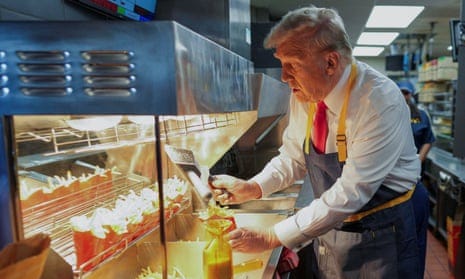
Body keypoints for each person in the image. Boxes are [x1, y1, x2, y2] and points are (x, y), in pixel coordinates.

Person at [210, 6, 422, 279]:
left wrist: (272, 236)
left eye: (293, 65)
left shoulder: (379, 102)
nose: (285, 77)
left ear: (330, 63)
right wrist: (254, 187)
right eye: (281, 63)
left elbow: (352, 192)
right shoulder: (306, 94)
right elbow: (293, 157)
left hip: (382, 229)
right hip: (334, 224)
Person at [397, 79, 436, 278]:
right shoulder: (388, 114)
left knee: (416, 242)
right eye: (400, 93)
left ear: (411, 94)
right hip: (393, 187)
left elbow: (429, 139)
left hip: (414, 183)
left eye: (407, 93)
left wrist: (418, 161)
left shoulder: (421, 115)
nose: (404, 96)